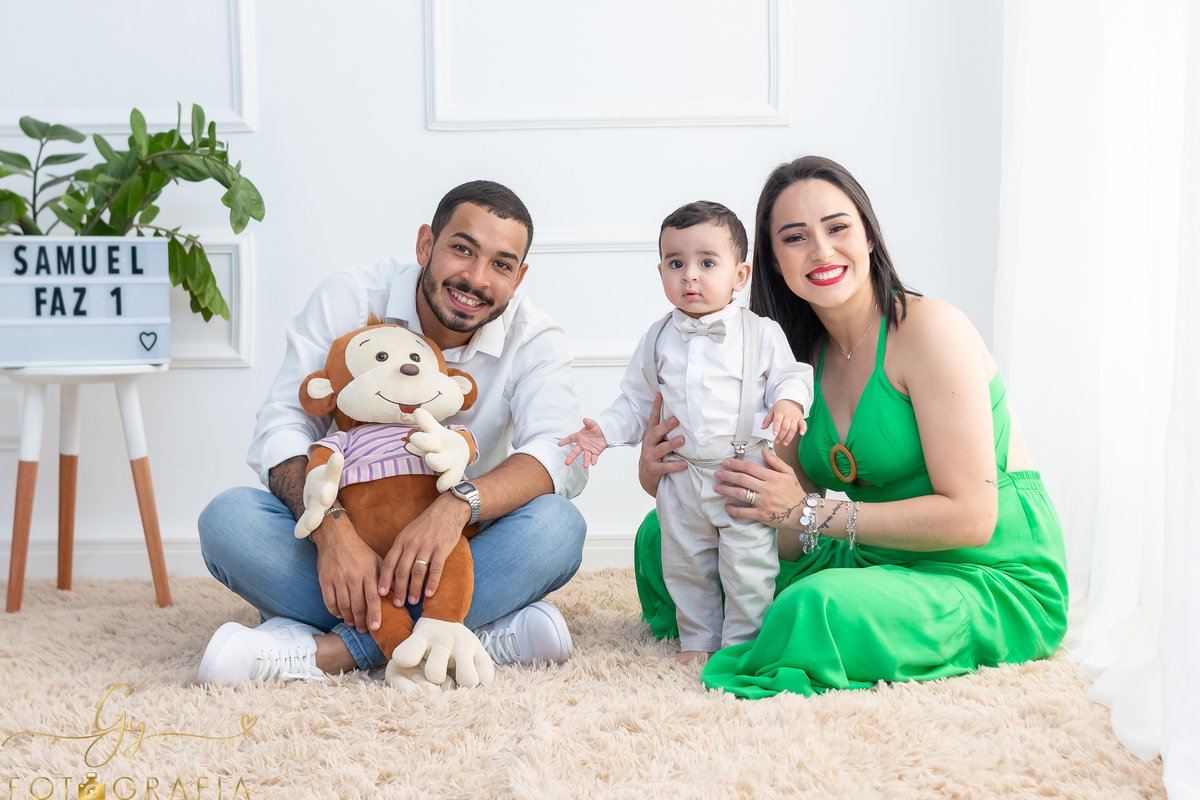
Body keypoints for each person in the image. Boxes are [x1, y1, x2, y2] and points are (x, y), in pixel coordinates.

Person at [634, 157, 1068, 697]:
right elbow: (786, 532)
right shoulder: (792, 359)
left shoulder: (930, 330)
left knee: (814, 607)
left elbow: (972, 518)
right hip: (865, 554)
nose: (820, 251)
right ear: (771, 262)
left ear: (868, 237)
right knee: (663, 539)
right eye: (795, 237)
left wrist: (806, 510)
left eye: (837, 228)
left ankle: (789, 633)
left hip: (978, 571)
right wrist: (668, 477)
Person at [197, 180, 588, 685]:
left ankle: (333, 652)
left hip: (458, 547)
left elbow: (559, 453)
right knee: (228, 520)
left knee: (558, 527)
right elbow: (285, 425)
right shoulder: (351, 296)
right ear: (426, 244)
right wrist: (331, 529)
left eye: (501, 264)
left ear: (519, 277)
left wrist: (456, 506)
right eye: (462, 249)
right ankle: (467, 635)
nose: (475, 278)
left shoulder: (534, 336)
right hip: (344, 526)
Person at [559, 202, 812, 665]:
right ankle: (697, 641)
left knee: (748, 565)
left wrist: (789, 403)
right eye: (676, 264)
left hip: (742, 471)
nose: (690, 276)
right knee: (686, 563)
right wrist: (605, 433)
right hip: (682, 475)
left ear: (739, 276)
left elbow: (791, 375)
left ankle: (743, 644)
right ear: (660, 272)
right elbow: (636, 402)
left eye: (707, 263)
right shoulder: (657, 338)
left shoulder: (760, 332)